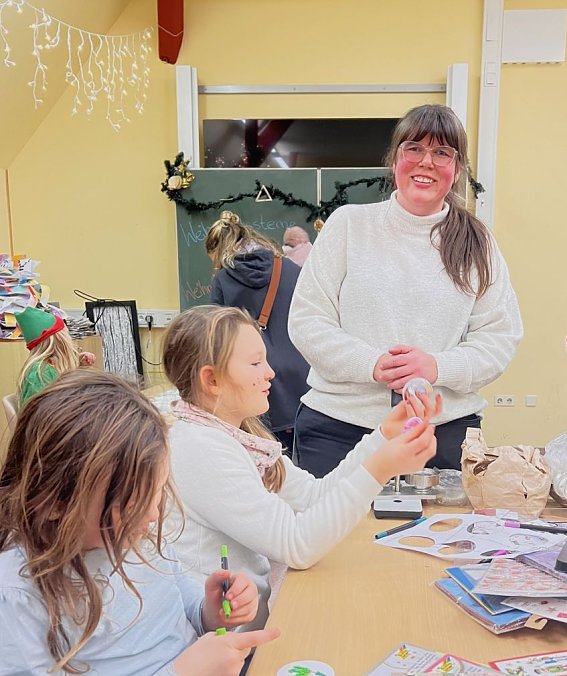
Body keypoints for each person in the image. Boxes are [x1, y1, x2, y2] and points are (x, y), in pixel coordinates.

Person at [0, 370, 279, 676]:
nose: (153, 514)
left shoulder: (131, 535)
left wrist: (210, 610)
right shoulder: (18, 597)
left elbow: (178, 601)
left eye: (158, 491)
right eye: (134, 501)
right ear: (57, 501)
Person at [163, 304, 440, 639]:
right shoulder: (201, 449)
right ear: (212, 380)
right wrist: (381, 468)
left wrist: (384, 435)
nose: (270, 372)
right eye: (255, 363)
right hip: (221, 649)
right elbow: (297, 546)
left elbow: (313, 496)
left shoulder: (240, 438)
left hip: (246, 634)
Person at [287, 103, 523, 477]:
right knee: (334, 519)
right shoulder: (348, 226)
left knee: (440, 521)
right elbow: (307, 321)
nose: (426, 162)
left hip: (441, 434)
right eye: (414, 148)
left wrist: (436, 366)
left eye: (442, 152)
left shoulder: (479, 243)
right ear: (395, 159)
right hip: (338, 429)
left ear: (457, 168)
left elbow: (499, 338)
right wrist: (373, 363)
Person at [205, 211, 309, 455]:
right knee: (295, 461)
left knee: (258, 457)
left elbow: (215, 336)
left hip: (251, 379)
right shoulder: (290, 268)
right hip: (300, 377)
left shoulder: (223, 278)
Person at [15, 305, 95, 405]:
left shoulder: (47, 367)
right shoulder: (40, 375)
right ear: (61, 341)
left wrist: (78, 364)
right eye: (67, 334)